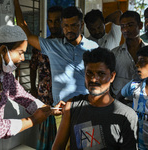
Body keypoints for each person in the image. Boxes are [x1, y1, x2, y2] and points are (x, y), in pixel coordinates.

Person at [13, 0, 98, 130]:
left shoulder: (94, 47)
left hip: (87, 110)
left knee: (89, 147)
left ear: (81, 25)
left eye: (74, 25)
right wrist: (16, 3)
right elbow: (25, 33)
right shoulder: (52, 45)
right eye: (65, 26)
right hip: (62, 112)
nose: (69, 29)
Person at [52, 47, 138, 150]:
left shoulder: (127, 115)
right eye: (89, 73)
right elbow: (58, 147)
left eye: (101, 74)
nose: (93, 79)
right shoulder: (72, 106)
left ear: (112, 76)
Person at [29, 6, 63, 150]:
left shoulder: (67, 45)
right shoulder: (40, 45)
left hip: (62, 97)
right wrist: (32, 88)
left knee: (63, 133)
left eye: (57, 21)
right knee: (46, 132)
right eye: (50, 21)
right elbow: (32, 67)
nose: (53, 25)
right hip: (44, 96)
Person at [116, 46, 148, 149]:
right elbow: (118, 98)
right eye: (137, 61)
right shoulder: (135, 84)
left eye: (142, 61)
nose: (137, 65)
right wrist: (129, 109)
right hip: (134, 144)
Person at [111, 10, 147, 98]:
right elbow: (108, 81)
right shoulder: (114, 54)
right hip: (119, 102)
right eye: (122, 26)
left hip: (142, 105)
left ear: (140, 25)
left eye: (130, 25)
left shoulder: (147, 51)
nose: (126, 29)